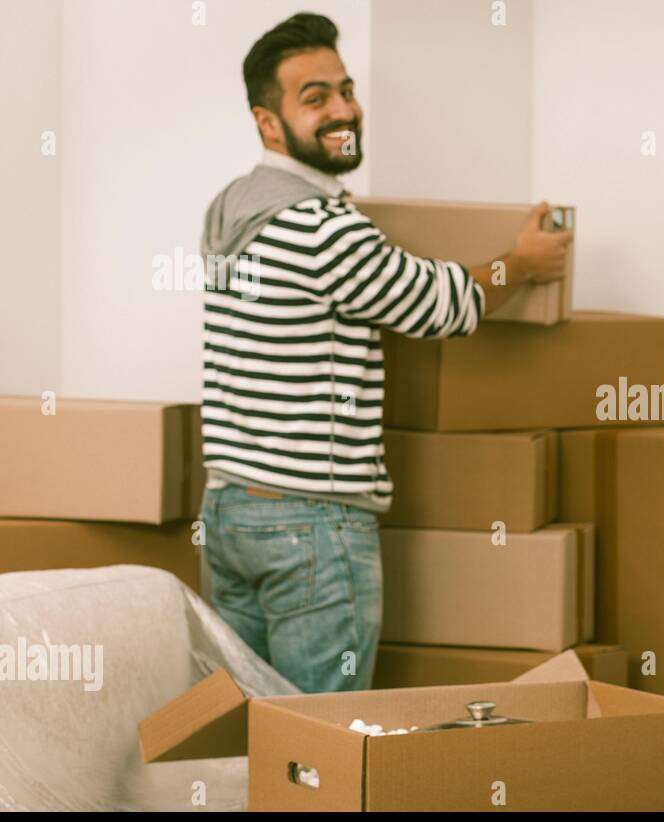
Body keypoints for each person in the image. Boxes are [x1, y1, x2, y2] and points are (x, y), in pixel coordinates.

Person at [197, 13, 572, 693]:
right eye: (315, 98)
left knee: (248, 741)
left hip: (229, 513)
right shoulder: (323, 228)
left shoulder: (229, 208)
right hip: (310, 523)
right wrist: (522, 262)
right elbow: (441, 304)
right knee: (320, 744)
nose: (343, 109)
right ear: (268, 122)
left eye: (345, 89)